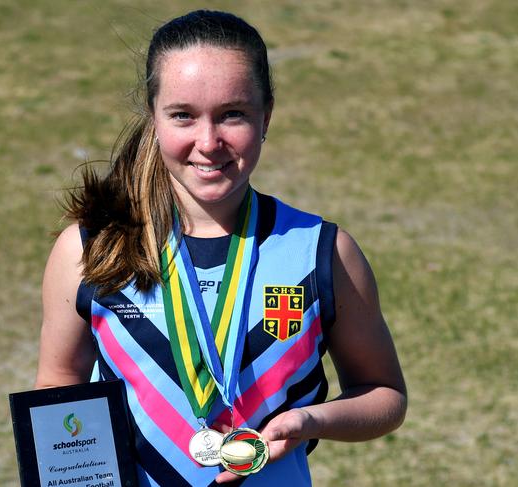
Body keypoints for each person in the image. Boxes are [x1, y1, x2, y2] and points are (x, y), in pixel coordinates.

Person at [35, 9, 407, 487]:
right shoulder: (90, 248)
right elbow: (57, 389)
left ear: (266, 115)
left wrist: (311, 421)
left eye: (233, 114)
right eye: (183, 115)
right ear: (153, 117)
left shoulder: (320, 251)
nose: (208, 142)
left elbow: (385, 394)